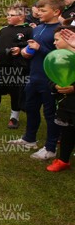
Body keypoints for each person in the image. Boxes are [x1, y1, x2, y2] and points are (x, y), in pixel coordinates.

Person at [8, 0, 64, 161]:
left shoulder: (62, 31)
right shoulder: (38, 28)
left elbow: (61, 57)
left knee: (50, 114)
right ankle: (29, 139)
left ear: (56, 12)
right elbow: (32, 48)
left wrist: (40, 48)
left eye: (43, 10)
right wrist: (24, 51)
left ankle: (50, 148)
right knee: (31, 108)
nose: (38, 13)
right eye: (38, 10)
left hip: (50, 80)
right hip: (33, 77)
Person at [0, 5, 32, 128]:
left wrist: (20, 49)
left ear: (21, 17)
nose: (7, 17)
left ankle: (14, 117)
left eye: (11, 15)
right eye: (8, 14)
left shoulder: (28, 30)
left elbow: (32, 45)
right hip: (0, 66)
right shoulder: (4, 30)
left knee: (16, 92)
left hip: (17, 68)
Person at [46, 25, 75, 171]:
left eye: (57, 39)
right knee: (67, 132)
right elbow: (51, 77)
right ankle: (63, 159)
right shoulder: (57, 58)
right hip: (65, 105)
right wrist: (55, 86)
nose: (54, 43)